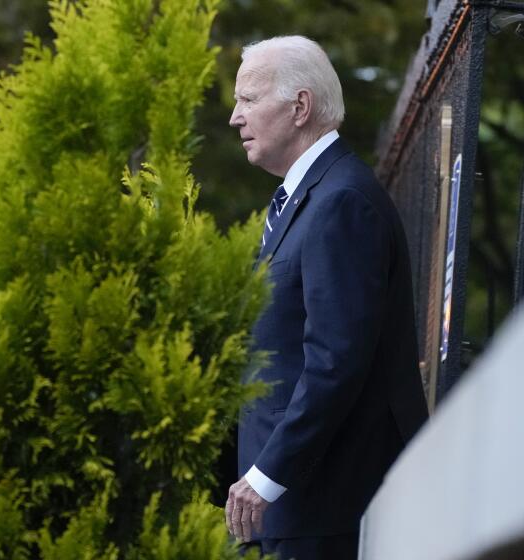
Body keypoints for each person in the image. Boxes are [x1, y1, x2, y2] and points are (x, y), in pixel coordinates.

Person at [224, 36, 428, 559]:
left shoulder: (341, 201)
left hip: (320, 508)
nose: (234, 117)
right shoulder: (312, 195)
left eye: (247, 99)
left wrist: (268, 477)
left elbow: (334, 363)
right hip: (291, 508)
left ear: (299, 107)